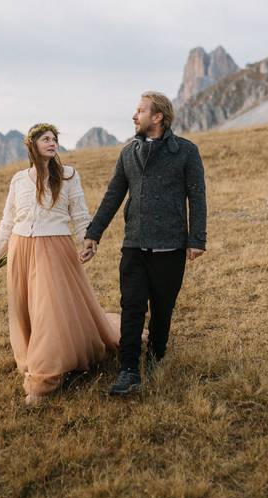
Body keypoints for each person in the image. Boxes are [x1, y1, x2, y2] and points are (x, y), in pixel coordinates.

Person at [81, 91, 207, 396]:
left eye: (140, 111)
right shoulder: (129, 153)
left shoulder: (186, 152)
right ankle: (128, 370)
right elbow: (113, 195)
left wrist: (196, 239)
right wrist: (93, 234)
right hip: (134, 244)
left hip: (171, 246)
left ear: (158, 117)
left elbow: (197, 196)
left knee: (162, 309)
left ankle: (156, 356)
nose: (134, 115)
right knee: (132, 306)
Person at [0, 123, 120, 405]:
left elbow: (80, 214)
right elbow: (7, 222)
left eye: (55, 139)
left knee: (49, 309)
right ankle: (36, 357)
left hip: (55, 249)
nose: (52, 142)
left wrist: (88, 241)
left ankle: (44, 379)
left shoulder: (69, 175)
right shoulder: (19, 180)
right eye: (45, 139)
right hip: (21, 248)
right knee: (29, 310)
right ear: (32, 145)